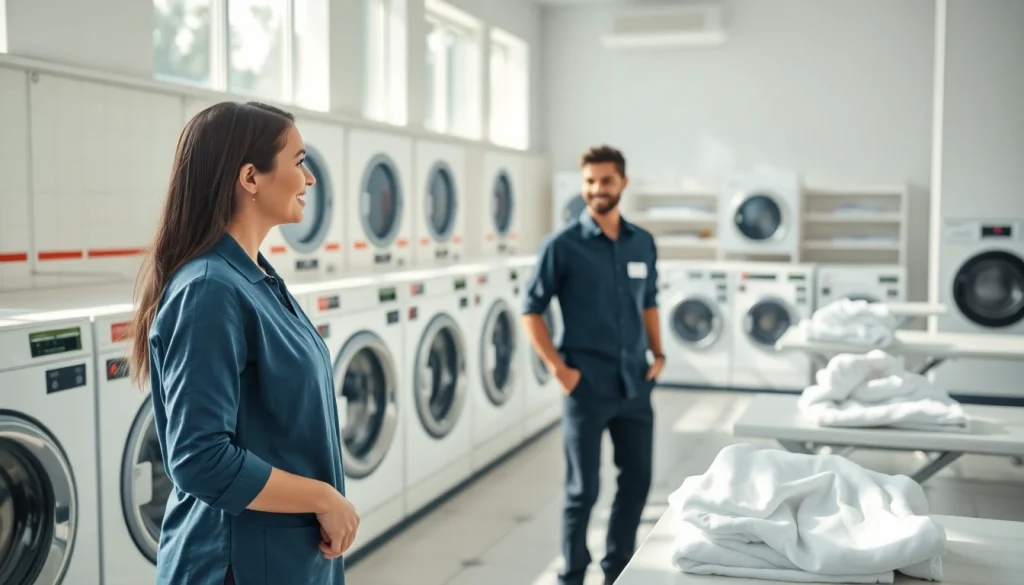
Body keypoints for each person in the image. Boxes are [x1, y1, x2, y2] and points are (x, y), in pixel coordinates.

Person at [127, 101, 358, 585]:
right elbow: (200, 459)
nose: (310, 179)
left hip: (285, 554)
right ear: (250, 178)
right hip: (238, 564)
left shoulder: (254, 277)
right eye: (298, 162)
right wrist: (323, 498)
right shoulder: (210, 290)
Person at [521, 145, 664, 585]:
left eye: (604, 180)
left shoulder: (643, 242)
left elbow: (650, 302)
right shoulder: (562, 246)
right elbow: (531, 309)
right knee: (583, 491)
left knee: (637, 482)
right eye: (588, 182)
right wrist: (559, 370)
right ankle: (572, 575)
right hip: (586, 386)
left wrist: (658, 354)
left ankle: (617, 569)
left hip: (635, 383)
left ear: (623, 182)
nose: (595, 189)